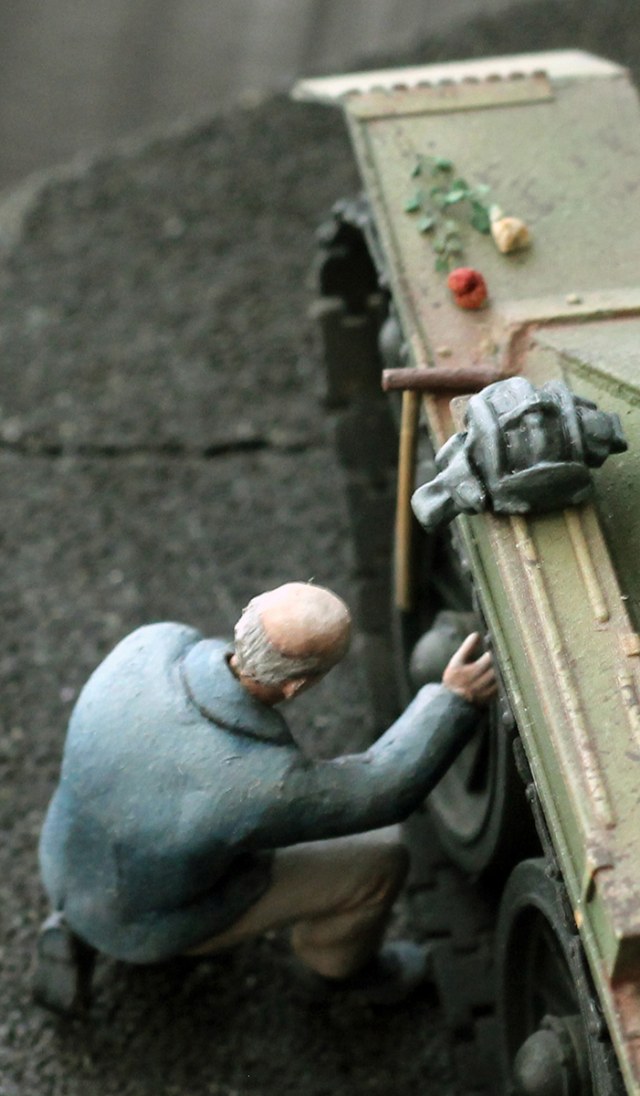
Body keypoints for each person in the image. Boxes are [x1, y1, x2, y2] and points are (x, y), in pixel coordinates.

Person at [37, 582, 495, 1010]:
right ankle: (338, 970)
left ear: (245, 620)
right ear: (297, 685)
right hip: (158, 920)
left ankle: (72, 922)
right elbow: (383, 787)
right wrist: (454, 700)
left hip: (64, 860)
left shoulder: (149, 643)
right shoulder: (262, 780)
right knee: (383, 860)